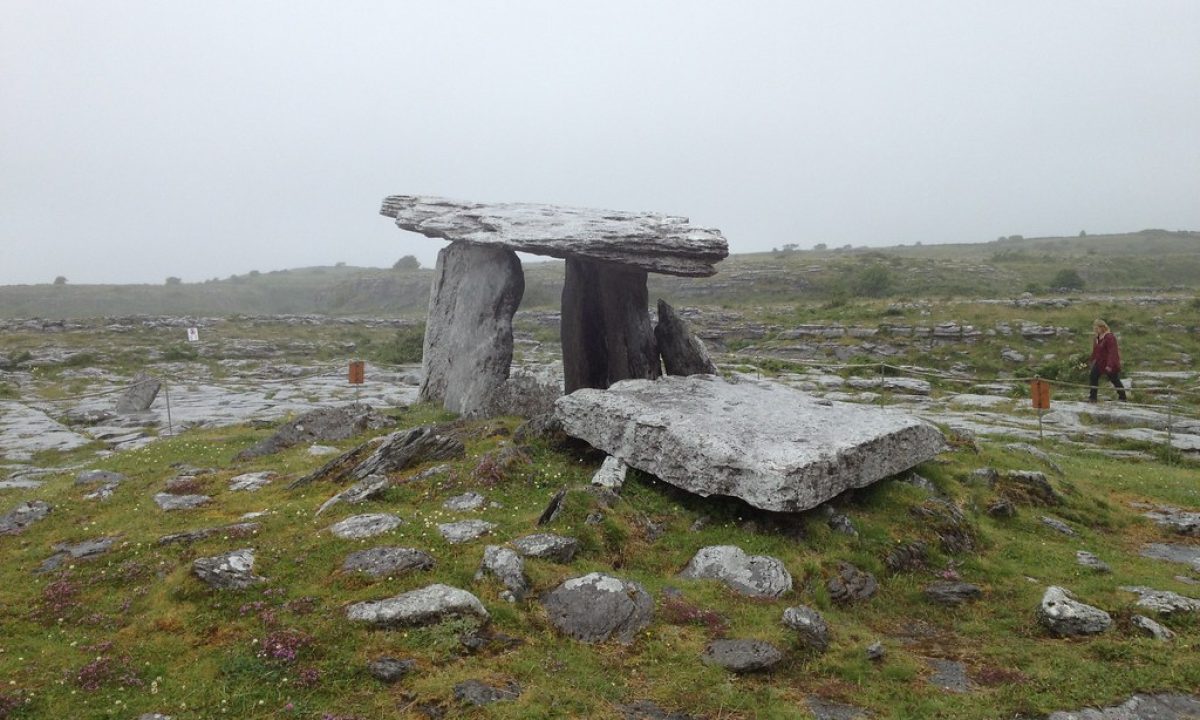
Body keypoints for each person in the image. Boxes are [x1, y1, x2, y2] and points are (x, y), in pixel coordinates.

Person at [1088, 319, 1126, 402]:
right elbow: (1095, 351)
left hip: (1109, 363)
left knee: (1114, 379)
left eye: (1097, 328)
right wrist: (1091, 360)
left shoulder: (1109, 337)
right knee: (1093, 376)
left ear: (1102, 327)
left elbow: (1112, 352)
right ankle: (1092, 397)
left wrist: (1110, 365)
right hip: (1100, 362)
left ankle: (1123, 397)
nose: (1095, 330)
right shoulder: (1097, 338)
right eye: (1095, 328)